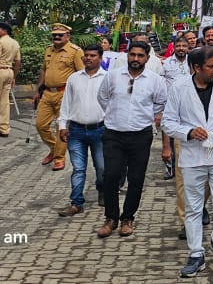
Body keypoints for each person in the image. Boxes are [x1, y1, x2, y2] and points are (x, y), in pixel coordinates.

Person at [163, 45, 213, 277]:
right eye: (211, 66)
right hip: (192, 155)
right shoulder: (179, 88)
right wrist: (188, 132)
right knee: (194, 208)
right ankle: (196, 252)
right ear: (196, 67)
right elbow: (168, 122)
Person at [96, 42, 170, 238]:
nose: (135, 59)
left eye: (140, 56)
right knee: (110, 176)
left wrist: (146, 116)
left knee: (136, 179)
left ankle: (127, 218)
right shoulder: (113, 76)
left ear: (147, 58)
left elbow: (161, 102)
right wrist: (114, 114)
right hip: (114, 133)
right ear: (127, 56)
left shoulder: (155, 80)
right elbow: (102, 97)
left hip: (141, 134)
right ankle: (111, 218)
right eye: (132, 55)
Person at [57, 44, 108, 217]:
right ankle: (76, 203)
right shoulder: (74, 78)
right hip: (77, 131)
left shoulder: (107, 78)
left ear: (100, 58)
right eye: (86, 55)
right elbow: (66, 103)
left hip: (100, 130)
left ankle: (102, 190)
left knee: (102, 168)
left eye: (93, 55)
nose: (88, 58)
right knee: (78, 169)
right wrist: (62, 126)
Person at [35, 23, 83, 170]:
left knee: (61, 126)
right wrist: (38, 90)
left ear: (67, 36)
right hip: (48, 92)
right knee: (40, 125)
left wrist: (78, 95)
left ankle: (59, 158)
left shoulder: (75, 51)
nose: (56, 37)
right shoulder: (48, 50)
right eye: (54, 35)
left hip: (65, 93)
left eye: (60, 35)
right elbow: (44, 70)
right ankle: (54, 148)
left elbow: (81, 73)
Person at [160, 36, 194, 181]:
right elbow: (161, 83)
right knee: (169, 137)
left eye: (183, 46)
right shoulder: (166, 63)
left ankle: (187, 167)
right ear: (174, 47)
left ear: (187, 48)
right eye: (178, 46)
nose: (181, 48)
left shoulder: (193, 63)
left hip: (188, 104)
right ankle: (170, 168)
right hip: (170, 104)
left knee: (186, 137)